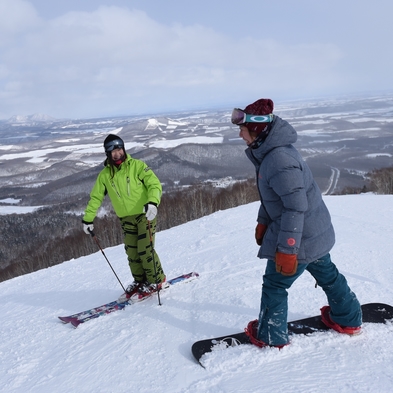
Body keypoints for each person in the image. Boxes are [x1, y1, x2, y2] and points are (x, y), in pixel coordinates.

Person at [231, 98, 362, 348]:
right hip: (315, 234)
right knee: (329, 276)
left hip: (299, 238)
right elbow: (276, 198)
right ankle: (349, 319)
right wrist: (262, 221)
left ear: (257, 131)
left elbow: (294, 206)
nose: (239, 134)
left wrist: (288, 249)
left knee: (275, 285)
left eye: (243, 129)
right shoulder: (273, 153)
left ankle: (271, 336)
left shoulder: (278, 160)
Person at [82, 134, 167, 302]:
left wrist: (152, 203)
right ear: (107, 153)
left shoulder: (137, 166)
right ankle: (140, 281)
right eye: (112, 151)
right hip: (126, 219)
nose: (117, 153)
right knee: (132, 252)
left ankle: (156, 281)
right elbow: (96, 197)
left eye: (119, 149)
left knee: (145, 250)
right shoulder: (105, 175)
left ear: (124, 148)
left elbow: (154, 184)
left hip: (145, 215)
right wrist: (88, 219)